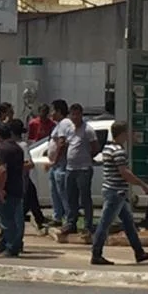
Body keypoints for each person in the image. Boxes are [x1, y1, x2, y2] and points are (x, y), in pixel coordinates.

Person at [90, 122, 148, 267]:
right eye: (128, 133)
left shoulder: (108, 148)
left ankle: (139, 252)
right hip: (116, 192)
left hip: (113, 190)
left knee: (129, 224)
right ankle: (96, 254)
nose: (130, 135)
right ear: (122, 134)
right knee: (105, 223)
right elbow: (124, 173)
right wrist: (143, 185)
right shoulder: (118, 151)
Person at [55, 102, 98, 243]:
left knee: (84, 198)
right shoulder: (69, 129)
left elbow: (95, 147)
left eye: (77, 114)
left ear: (81, 114)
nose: (74, 117)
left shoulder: (88, 130)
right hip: (70, 168)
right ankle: (71, 223)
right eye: (72, 114)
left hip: (84, 169)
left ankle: (88, 225)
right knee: (70, 197)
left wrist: (87, 156)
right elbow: (67, 144)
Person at [0, 121, 26, 257]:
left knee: (6, 221)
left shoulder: (2, 149)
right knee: (16, 218)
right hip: (18, 186)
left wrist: (0, 189)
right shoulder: (18, 148)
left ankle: (11, 247)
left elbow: (2, 170)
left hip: (7, 188)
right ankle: (9, 244)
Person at [11, 117, 46, 233]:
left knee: (22, 206)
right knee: (32, 200)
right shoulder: (13, 144)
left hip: (22, 180)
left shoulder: (22, 146)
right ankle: (40, 220)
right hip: (23, 181)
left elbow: (29, 164)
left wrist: (15, 167)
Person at [46, 100, 70, 232]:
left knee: (63, 192)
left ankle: (68, 218)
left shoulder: (64, 123)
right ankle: (58, 217)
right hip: (56, 165)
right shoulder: (58, 125)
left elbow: (61, 144)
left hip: (60, 164)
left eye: (53, 110)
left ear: (59, 111)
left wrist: (54, 160)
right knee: (55, 192)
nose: (51, 113)